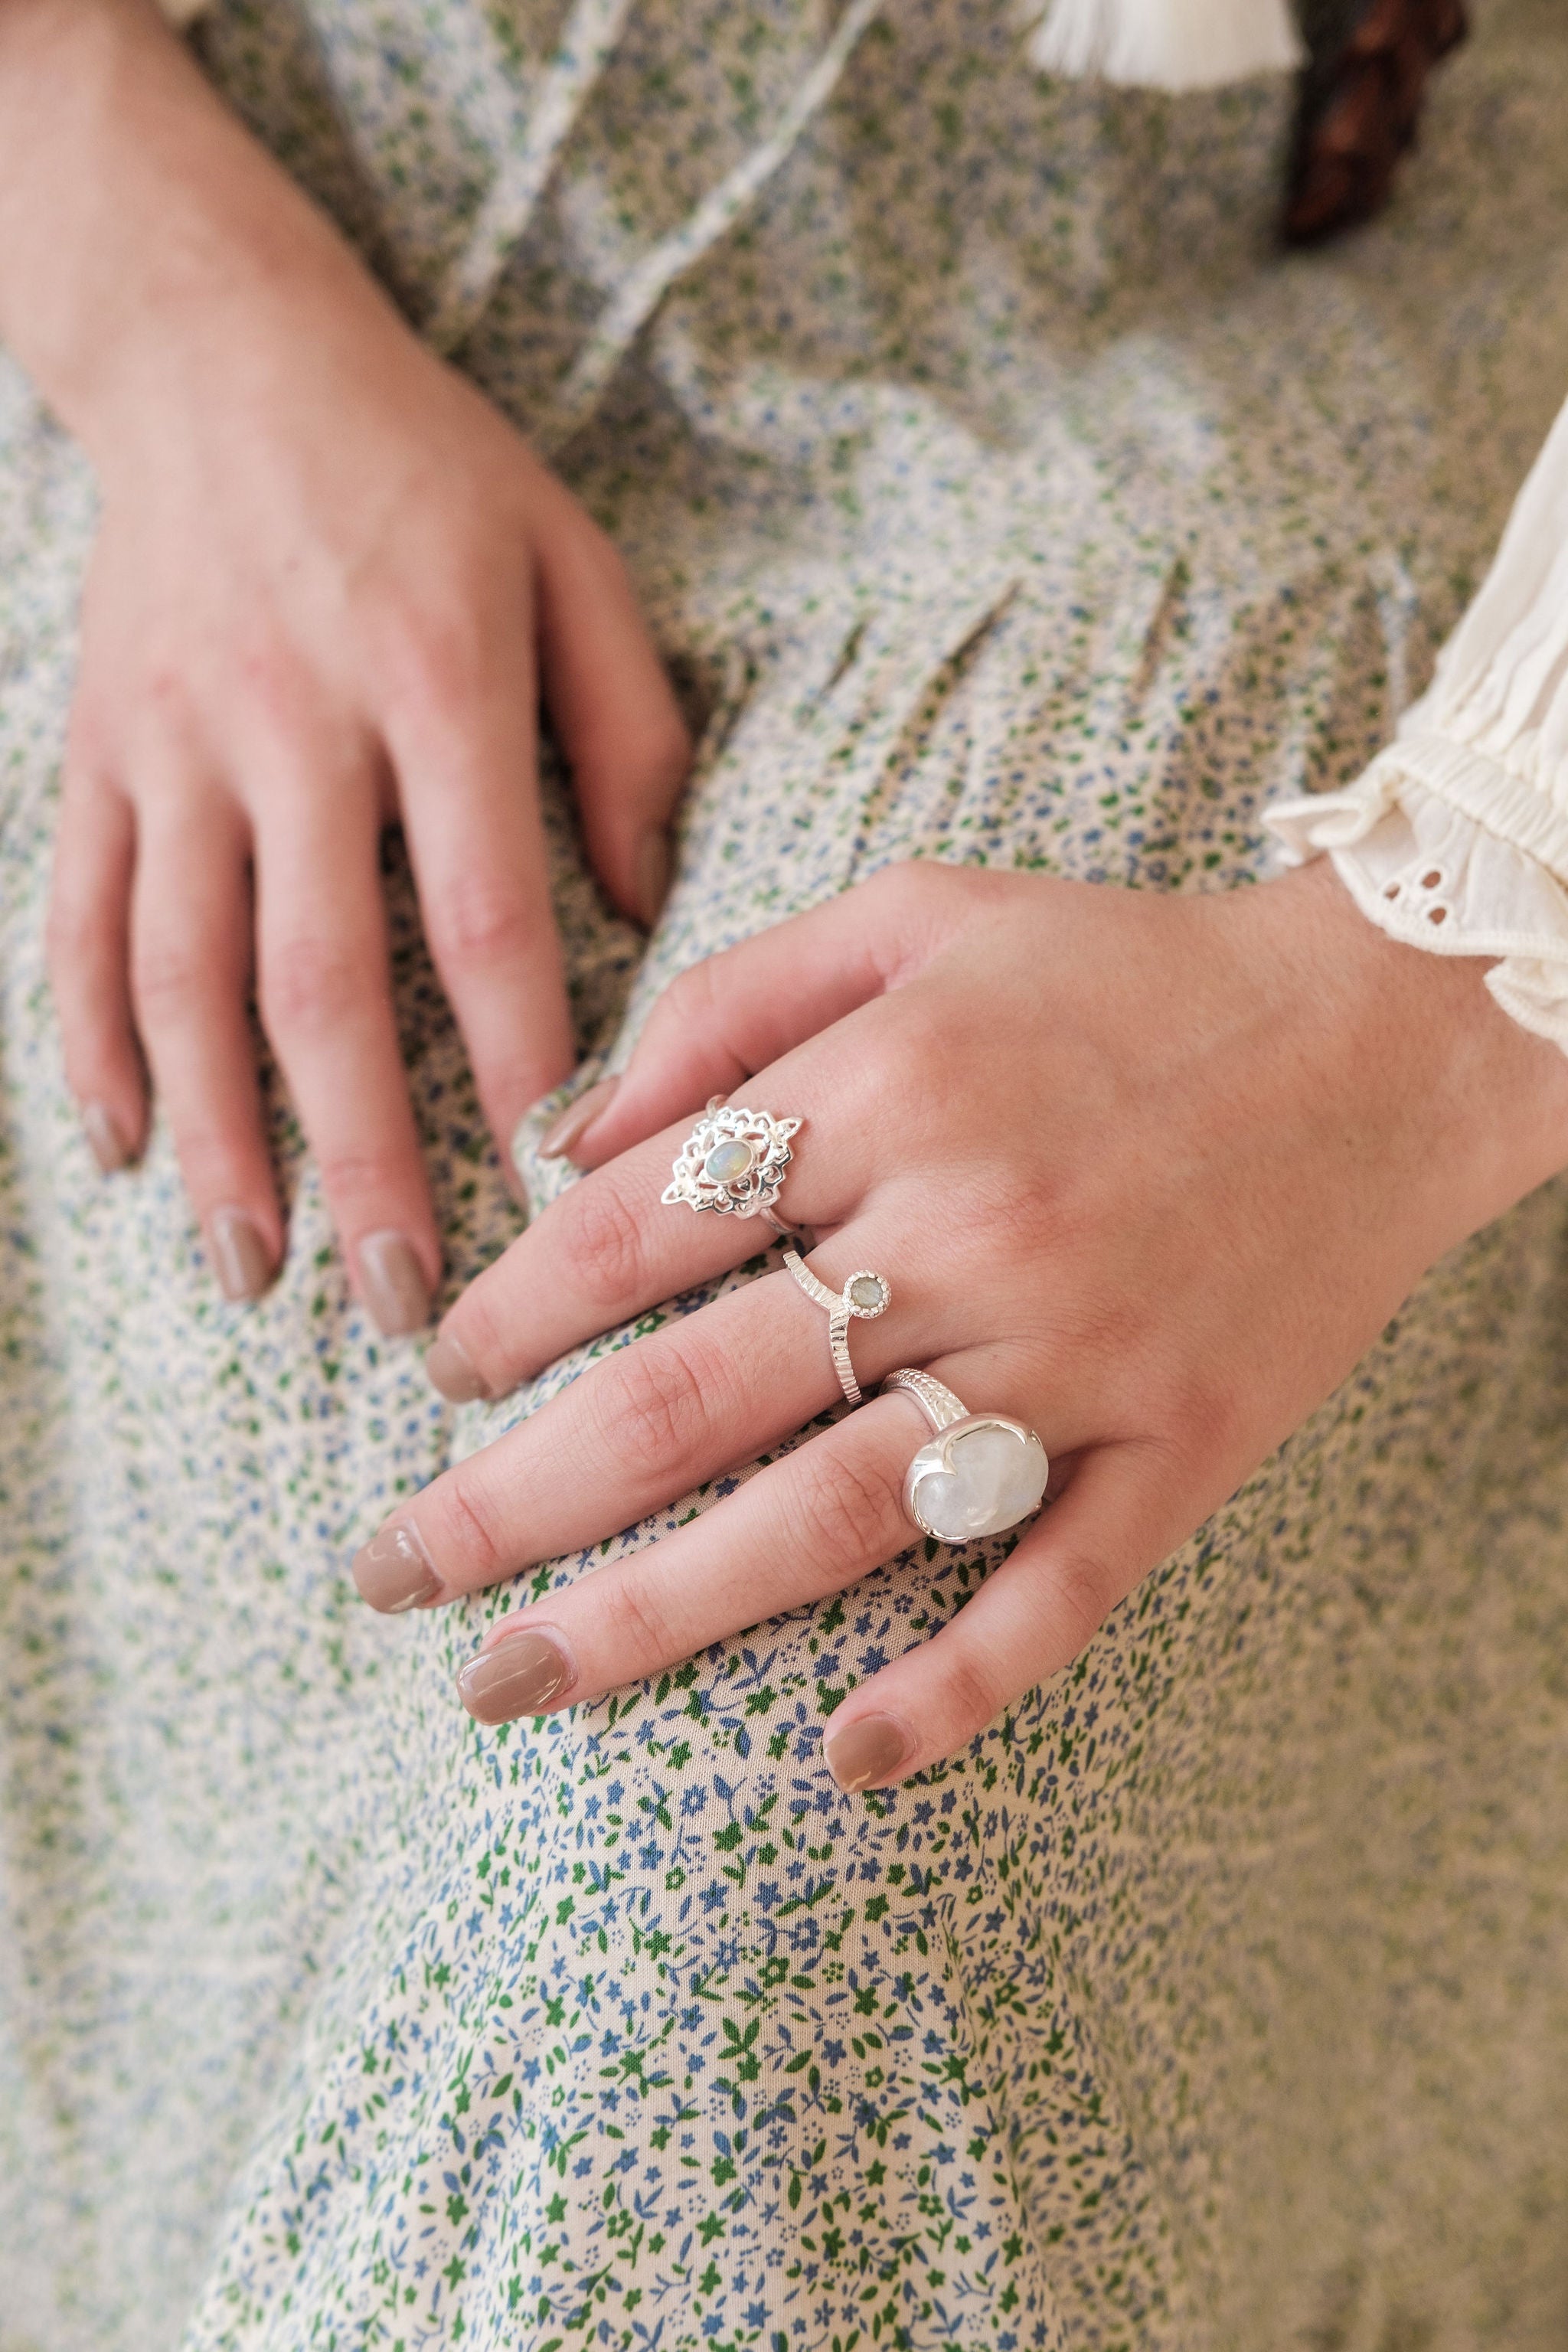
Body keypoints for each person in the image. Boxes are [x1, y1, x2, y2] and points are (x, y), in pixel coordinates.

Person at [2, 0, 1566, 2345]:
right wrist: (137, 256)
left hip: (1293, 417)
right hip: (191, 355)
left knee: (729, 1887)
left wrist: (1423, 978)